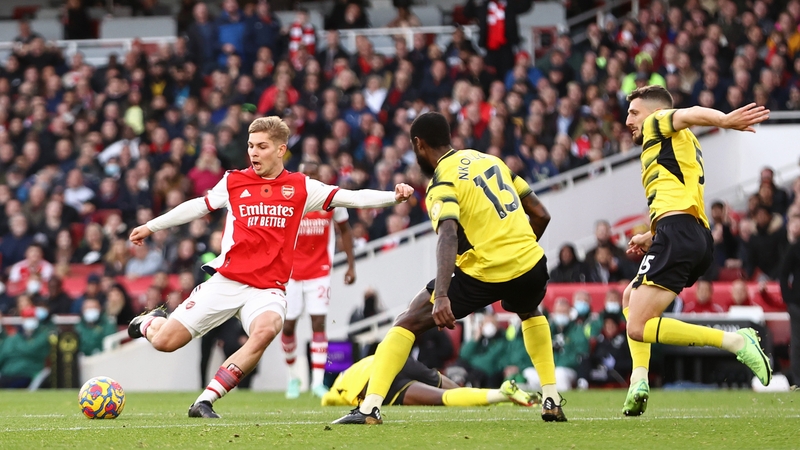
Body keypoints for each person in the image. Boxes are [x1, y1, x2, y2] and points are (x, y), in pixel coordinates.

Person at [126, 116, 413, 418]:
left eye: (262, 146)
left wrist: (393, 197)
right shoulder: (234, 181)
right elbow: (198, 205)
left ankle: (205, 401)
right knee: (165, 342)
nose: (253, 152)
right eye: (251, 146)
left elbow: (351, 197)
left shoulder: (301, 187)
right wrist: (151, 226)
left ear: (280, 150)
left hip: (268, 289)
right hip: (227, 281)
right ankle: (147, 323)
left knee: (266, 330)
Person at [333, 112, 566, 425]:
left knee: (408, 321)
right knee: (529, 311)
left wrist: (441, 295)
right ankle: (551, 399)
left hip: (485, 271)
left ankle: (369, 408)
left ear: (419, 144)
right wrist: (516, 250)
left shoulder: (443, 179)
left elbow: (447, 236)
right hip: (532, 264)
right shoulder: (491, 160)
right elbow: (541, 215)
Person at [620, 85, 772, 416]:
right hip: (690, 234)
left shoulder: (657, 122)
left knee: (637, 326)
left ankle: (735, 341)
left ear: (654, 112)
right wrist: (652, 234)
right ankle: (639, 380)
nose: (628, 120)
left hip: (678, 233)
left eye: (633, 112)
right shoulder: (678, 142)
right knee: (630, 298)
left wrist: (725, 120)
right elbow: (678, 193)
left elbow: (690, 113)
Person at [282, 161, 358, 399]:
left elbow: (345, 230)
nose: (309, 177)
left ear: (319, 175)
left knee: (318, 324)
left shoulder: (330, 198)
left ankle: (316, 382)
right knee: (288, 325)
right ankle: (293, 378)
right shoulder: (289, 199)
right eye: (305, 173)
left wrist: (351, 265)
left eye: (313, 174)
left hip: (319, 271)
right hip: (290, 273)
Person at [321, 355, 537, 408]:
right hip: (397, 360)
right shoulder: (360, 363)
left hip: (375, 384)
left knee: (443, 398)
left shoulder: (338, 386)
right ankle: (495, 395)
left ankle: (500, 394)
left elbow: (328, 400)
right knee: (446, 385)